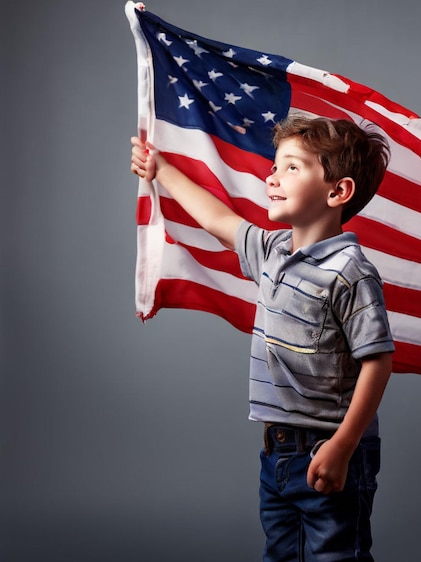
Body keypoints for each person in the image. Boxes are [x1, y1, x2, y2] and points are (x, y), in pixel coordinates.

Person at [130, 115, 395, 561]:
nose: (272, 177)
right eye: (275, 166)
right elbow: (218, 218)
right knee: (282, 554)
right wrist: (161, 169)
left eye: (292, 167)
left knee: (335, 555)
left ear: (337, 192)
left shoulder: (350, 271)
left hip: (329, 446)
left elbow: (378, 362)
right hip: (277, 452)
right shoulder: (273, 252)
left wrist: (344, 446)